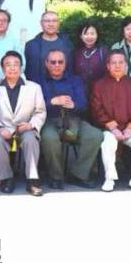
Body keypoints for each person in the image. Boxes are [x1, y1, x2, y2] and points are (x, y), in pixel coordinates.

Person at [90, 50, 131, 193]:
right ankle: (109, 178)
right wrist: (113, 128)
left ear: (126, 65)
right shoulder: (99, 85)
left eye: (121, 62)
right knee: (108, 143)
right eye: (114, 63)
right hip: (109, 129)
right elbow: (97, 109)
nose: (117, 66)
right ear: (108, 66)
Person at [40, 49, 103, 189]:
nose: (57, 65)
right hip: (49, 120)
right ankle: (56, 176)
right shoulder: (39, 82)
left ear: (65, 64)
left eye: (60, 62)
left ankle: (78, 174)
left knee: (95, 135)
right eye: (53, 62)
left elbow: (83, 104)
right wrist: (51, 102)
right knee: (49, 138)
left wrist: (74, 105)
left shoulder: (75, 80)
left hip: (73, 120)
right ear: (46, 63)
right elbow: (33, 105)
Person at [0, 51, 46, 196]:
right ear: (2, 69)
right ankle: (6, 178)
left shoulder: (34, 87)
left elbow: (40, 112)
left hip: (25, 128)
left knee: (30, 138)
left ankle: (32, 179)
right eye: (8, 65)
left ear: (21, 67)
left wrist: (31, 125)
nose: (12, 68)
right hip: (4, 130)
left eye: (16, 64)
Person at [23, 11, 73, 84]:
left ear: (59, 23)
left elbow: (71, 69)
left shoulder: (67, 44)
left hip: (63, 87)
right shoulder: (31, 46)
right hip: (38, 87)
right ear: (41, 23)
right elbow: (28, 71)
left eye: (54, 21)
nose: (51, 24)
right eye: (47, 21)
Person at [73, 22, 107, 94]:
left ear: (97, 35)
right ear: (81, 36)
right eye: (86, 34)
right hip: (80, 91)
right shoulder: (76, 53)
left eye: (92, 33)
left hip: (100, 91)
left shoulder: (103, 51)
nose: (89, 36)